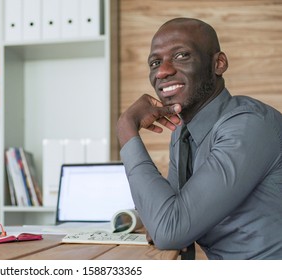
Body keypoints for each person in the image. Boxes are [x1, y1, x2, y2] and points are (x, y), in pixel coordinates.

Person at [116, 17, 282, 259]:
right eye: (155, 62)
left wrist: (125, 126)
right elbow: (167, 215)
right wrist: (160, 220)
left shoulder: (249, 125)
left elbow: (169, 229)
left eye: (181, 55)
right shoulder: (182, 134)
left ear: (219, 64)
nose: (162, 71)